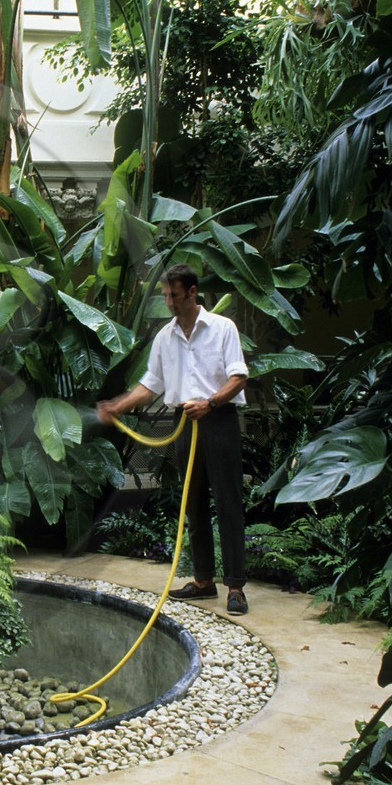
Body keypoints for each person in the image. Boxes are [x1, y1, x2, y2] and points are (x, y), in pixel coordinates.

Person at [96, 263, 250, 615]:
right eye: (166, 295)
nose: (169, 302)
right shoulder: (165, 337)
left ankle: (236, 587)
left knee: (227, 503)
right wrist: (117, 406)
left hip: (219, 419)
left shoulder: (222, 328)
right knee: (192, 503)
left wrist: (209, 403)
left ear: (192, 292)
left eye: (174, 295)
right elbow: (151, 384)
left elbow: (239, 377)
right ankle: (203, 581)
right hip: (185, 421)